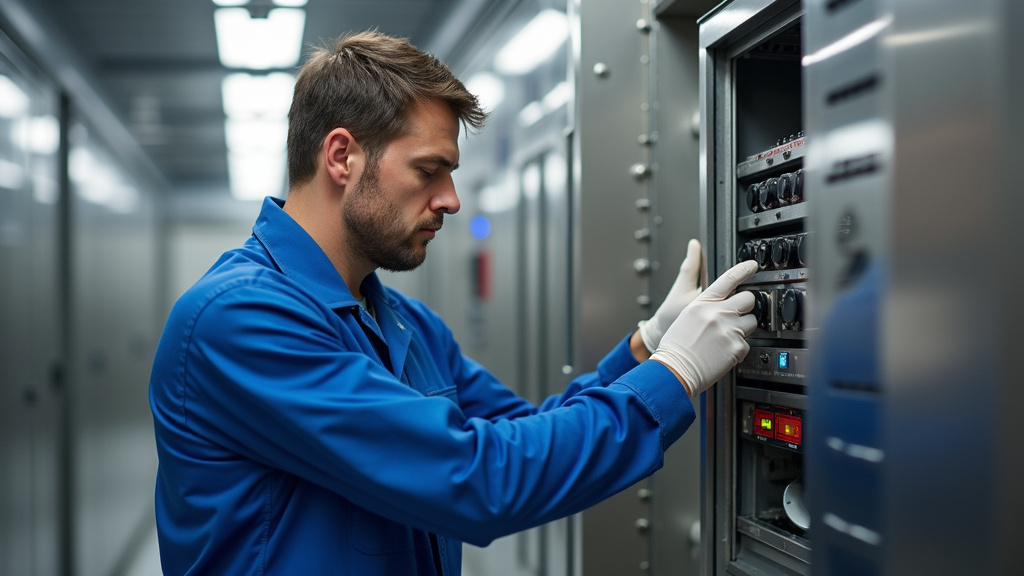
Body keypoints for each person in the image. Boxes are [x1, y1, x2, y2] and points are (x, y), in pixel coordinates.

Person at [149, 30, 758, 576]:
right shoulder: (239, 321)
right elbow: (478, 480)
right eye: (429, 170)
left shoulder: (407, 325)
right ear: (341, 156)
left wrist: (648, 347)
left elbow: (521, 434)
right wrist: (674, 374)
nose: (451, 200)